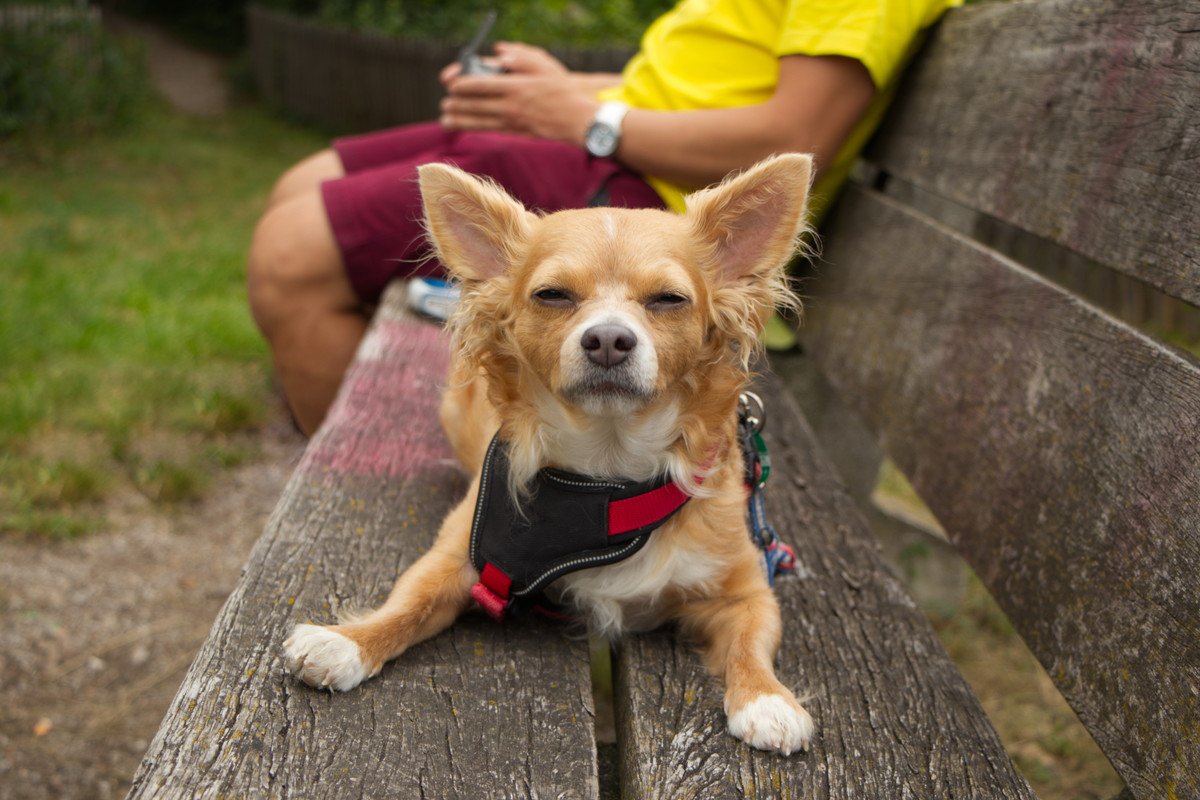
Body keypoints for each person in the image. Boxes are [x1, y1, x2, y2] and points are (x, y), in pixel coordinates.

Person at [248, 0, 960, 435]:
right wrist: (556, 91)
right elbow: (682, 90)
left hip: (639, 190)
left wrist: (590, 120)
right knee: (298, 184)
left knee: (292, 257)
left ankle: (383, 503)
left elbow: (795, 135)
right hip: (603, 145)